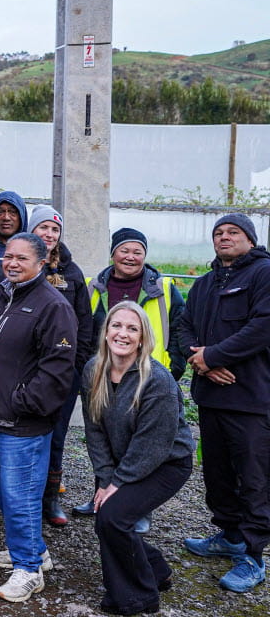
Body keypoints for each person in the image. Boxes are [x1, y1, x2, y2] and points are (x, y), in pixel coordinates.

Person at [0, 233, 77, 603]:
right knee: (3, 490)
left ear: (41, 263)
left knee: (20, 494)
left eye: (22, 258)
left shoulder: (53, 306)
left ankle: (28, 569)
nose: (11, 263)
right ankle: (34, 550)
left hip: (21, 423)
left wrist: (20, 402)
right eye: (8, 256)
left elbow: (58, 369)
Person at [82, 302, 194, 616]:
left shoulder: (157, 381)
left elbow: (152, 446)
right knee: (107, 517)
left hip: (166, 463)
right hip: (124, 461)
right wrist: (106, 478)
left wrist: (116, 483)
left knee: (113, 518)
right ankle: (155, 569)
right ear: (106, 332)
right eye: (116, 326)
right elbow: (94, 430)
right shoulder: (93, 370)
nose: (123, 334)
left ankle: (139, 597)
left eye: (133, 329)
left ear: (143, 338)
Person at [180, 213, 270, 593]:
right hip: (212, 396)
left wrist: (213, 356)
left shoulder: (264, 274)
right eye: (218, 233)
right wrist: (199, 359)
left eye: (233, 232)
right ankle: (230, 536)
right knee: (217, 474)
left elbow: (262, 326)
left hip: (250, 399)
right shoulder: (205, 284)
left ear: (250, 239)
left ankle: (252, 556)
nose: (224, 237)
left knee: (254, 479)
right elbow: (184, 326)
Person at [73, 227, 188, 518]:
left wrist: (173, 367)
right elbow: (83, 328)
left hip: (148, 376)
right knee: (107, 431)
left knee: (141, 437)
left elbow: (179, 326)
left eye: (138, 251)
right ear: (113, 253)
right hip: (104, 372)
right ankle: (103, 493)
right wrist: (89, 368)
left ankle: (136, 506)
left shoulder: (162, 287)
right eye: (124, 250)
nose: (130, 256)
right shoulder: (94, 287)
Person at [28, 205, 93, 527]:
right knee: (25, 435)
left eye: (55, 229)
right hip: (25, 369)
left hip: (62, 373)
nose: (49, 234)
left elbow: (85, 324)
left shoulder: (72, 273)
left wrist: (75, 368)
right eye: (43, 228)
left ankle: (50, 497)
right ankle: (24, 495)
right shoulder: (20, 265)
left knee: (55, 435)